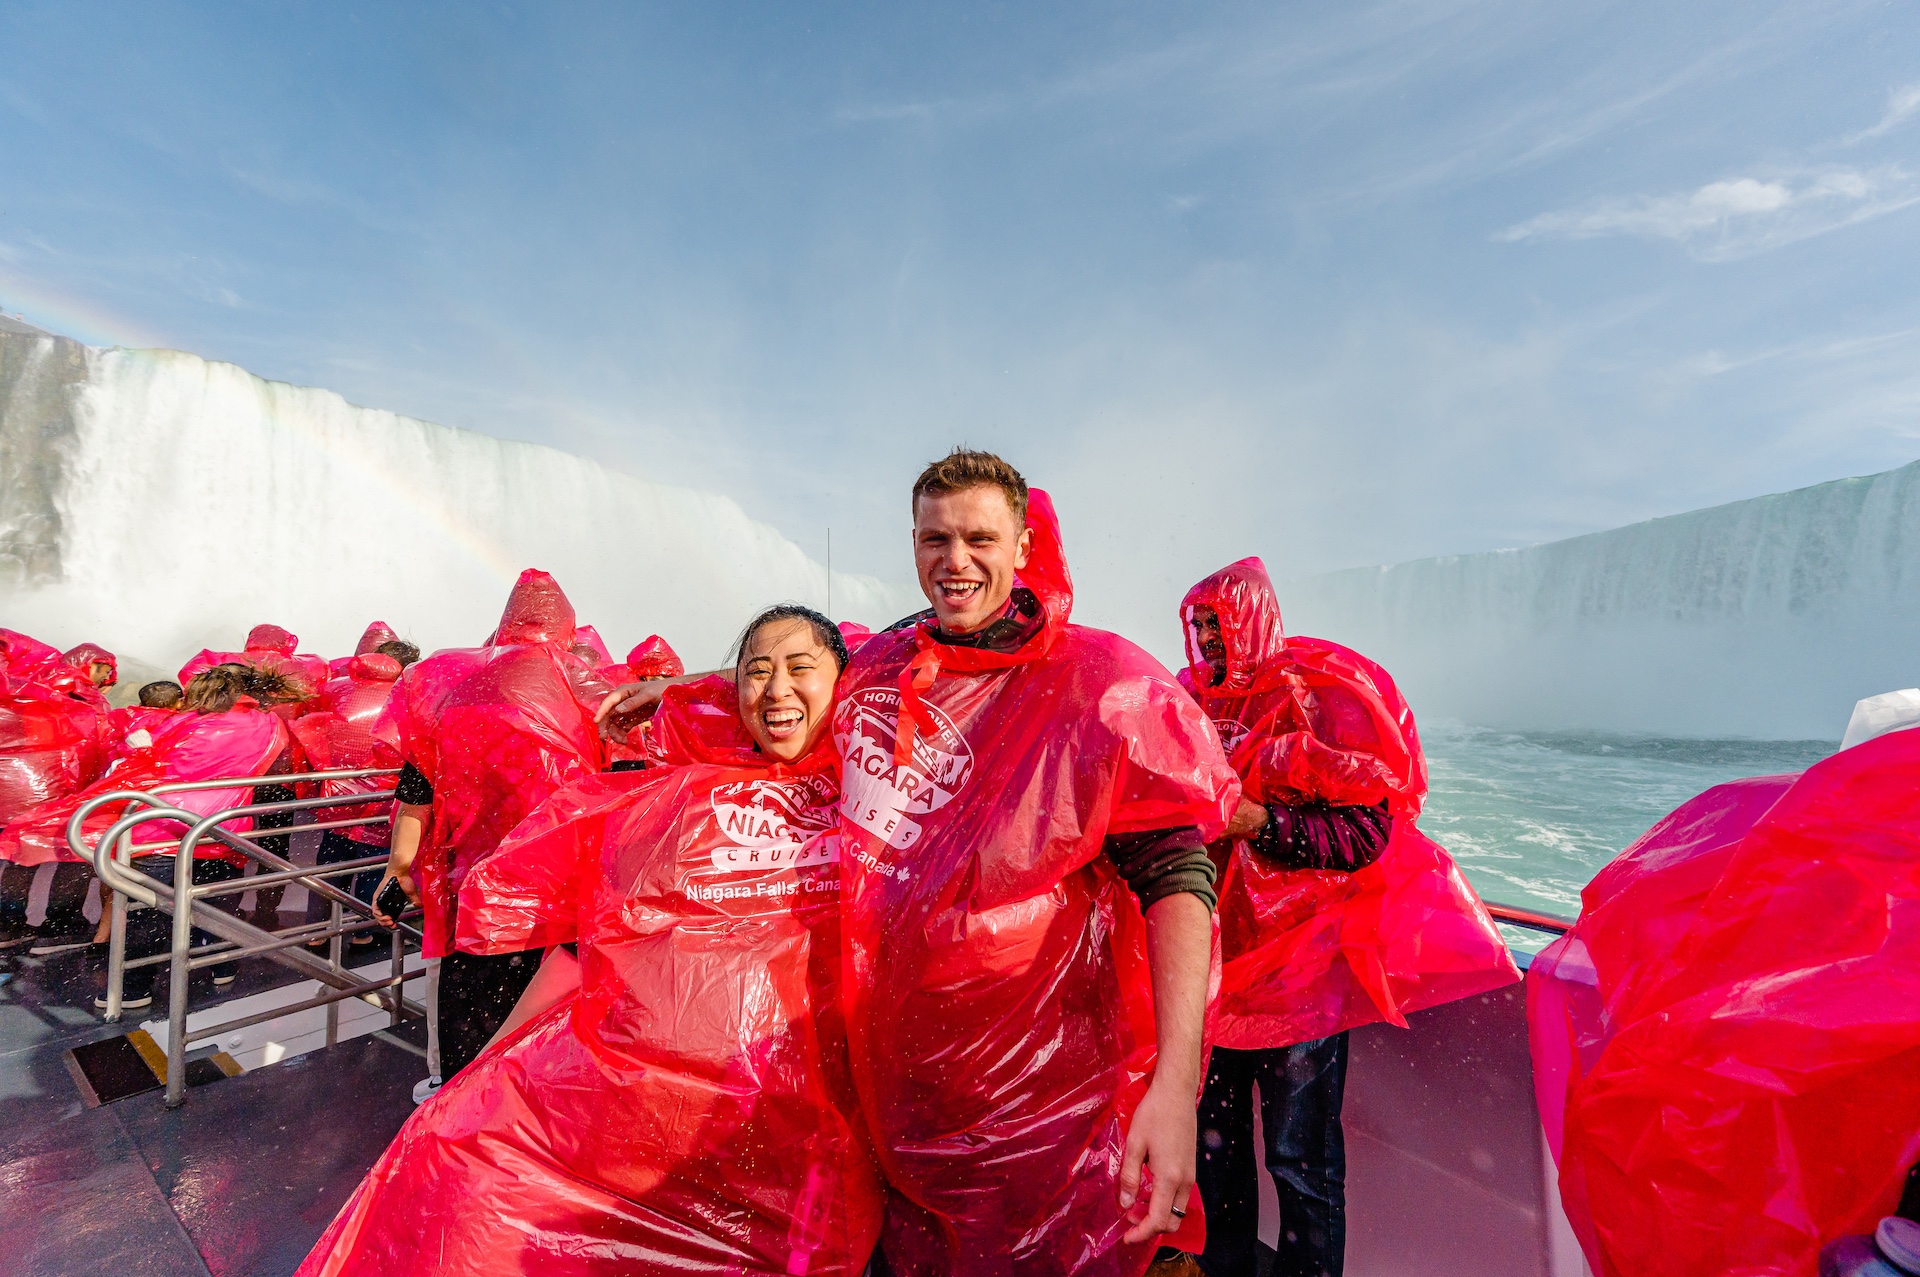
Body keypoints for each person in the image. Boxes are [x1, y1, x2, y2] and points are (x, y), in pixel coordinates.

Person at [297, 606, 883, 1277]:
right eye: (756, 673)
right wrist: (474, 1080)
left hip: (808, 1153)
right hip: (677, 1136)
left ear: (848, 684)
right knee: (460, 1172)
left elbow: (892, 657)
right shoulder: (674, 804)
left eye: (802, 669)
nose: (777, 687)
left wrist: (686, 684)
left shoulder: (877, 792)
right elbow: (581, 956)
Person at [834, 450, 1239, 1276]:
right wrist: (690, 686)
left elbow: (1179, 881)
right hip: (890, 1095)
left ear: (1023, 544)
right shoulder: (885, 664)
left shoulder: (1096, 683)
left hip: (1035, 1110)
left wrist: (1173, 1084)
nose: (955, 561)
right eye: (934, 538)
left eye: (980, 537)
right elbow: (799, 682)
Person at [1178, 557, 1515, 1277]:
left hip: (1300, 978)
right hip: (1215, 976)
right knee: (1217, 1156)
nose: (1206, 637)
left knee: (1301, 1165)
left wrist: (1258, 820)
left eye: (1217, 622)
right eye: (1198, 624)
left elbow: (1368, 834)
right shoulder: (1192, 707)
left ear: (1250, 617)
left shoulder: (1318, 698)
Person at [370, 569, 611, 1094]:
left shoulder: (448, 683)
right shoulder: (588, 685)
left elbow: (416, 790)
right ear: (567, 627)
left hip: (473, 885)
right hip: (561, 892)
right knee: (547, 1019)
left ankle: (454, 1106)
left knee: (469, 1011)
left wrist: (399, 868)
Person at [289, 652, 405, 948]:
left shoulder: (338, 690)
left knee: (330, 865)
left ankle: (317, 930)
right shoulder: (401, 697)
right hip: (379, 799)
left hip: (338, 799)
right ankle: (361, 929)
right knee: (371, 866)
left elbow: (310, 727)